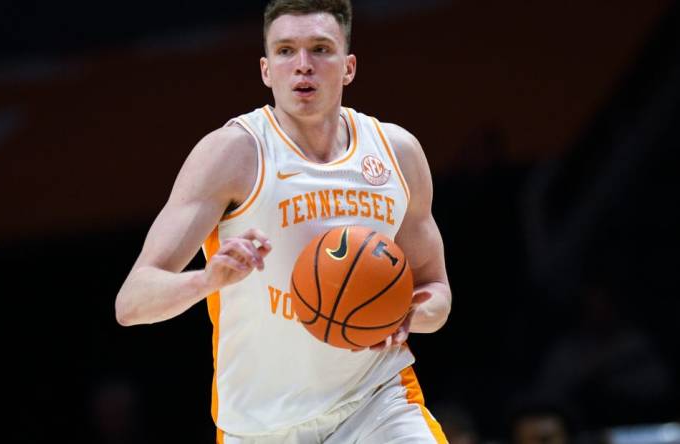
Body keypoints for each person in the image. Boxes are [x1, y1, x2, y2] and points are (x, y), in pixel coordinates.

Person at [114, 1, 452, 442]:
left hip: (376, 403)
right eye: (286, 51)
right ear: (265, 70)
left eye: (320, 49)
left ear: (348, 67)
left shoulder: (396, 154)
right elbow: (131, 303)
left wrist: (406, 314)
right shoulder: (233, 153)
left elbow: (438, 293)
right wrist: (208, 280)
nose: (303, 66)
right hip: (260, 427)